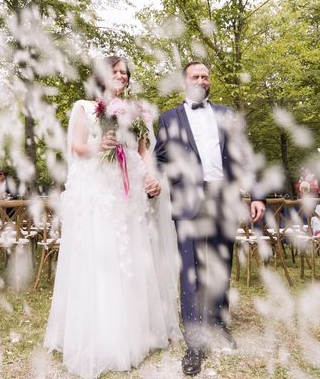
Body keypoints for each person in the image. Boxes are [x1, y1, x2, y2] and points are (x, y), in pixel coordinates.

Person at [43, 55, 181, 379]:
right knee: (101, 260)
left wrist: (150, 178)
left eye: (124, 73)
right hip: (99, 195)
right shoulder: (84, 108)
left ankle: (134, 334)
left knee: (130, 259)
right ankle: (102, 340)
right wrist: (98, 144)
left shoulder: (134, 112)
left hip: (127, 194)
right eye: (115, 71)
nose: (120, 76)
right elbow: (77, 147)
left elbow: (144, 150)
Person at [154, 61, 266, 376]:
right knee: (191, 268)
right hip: (188, 200)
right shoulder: (168, 118)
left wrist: (256, 194)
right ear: (184, 82)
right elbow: (159, 159)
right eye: (195, 76)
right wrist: (151, 180)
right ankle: (194, 342)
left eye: (205, 76)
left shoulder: (228, 114)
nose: (201, 80)